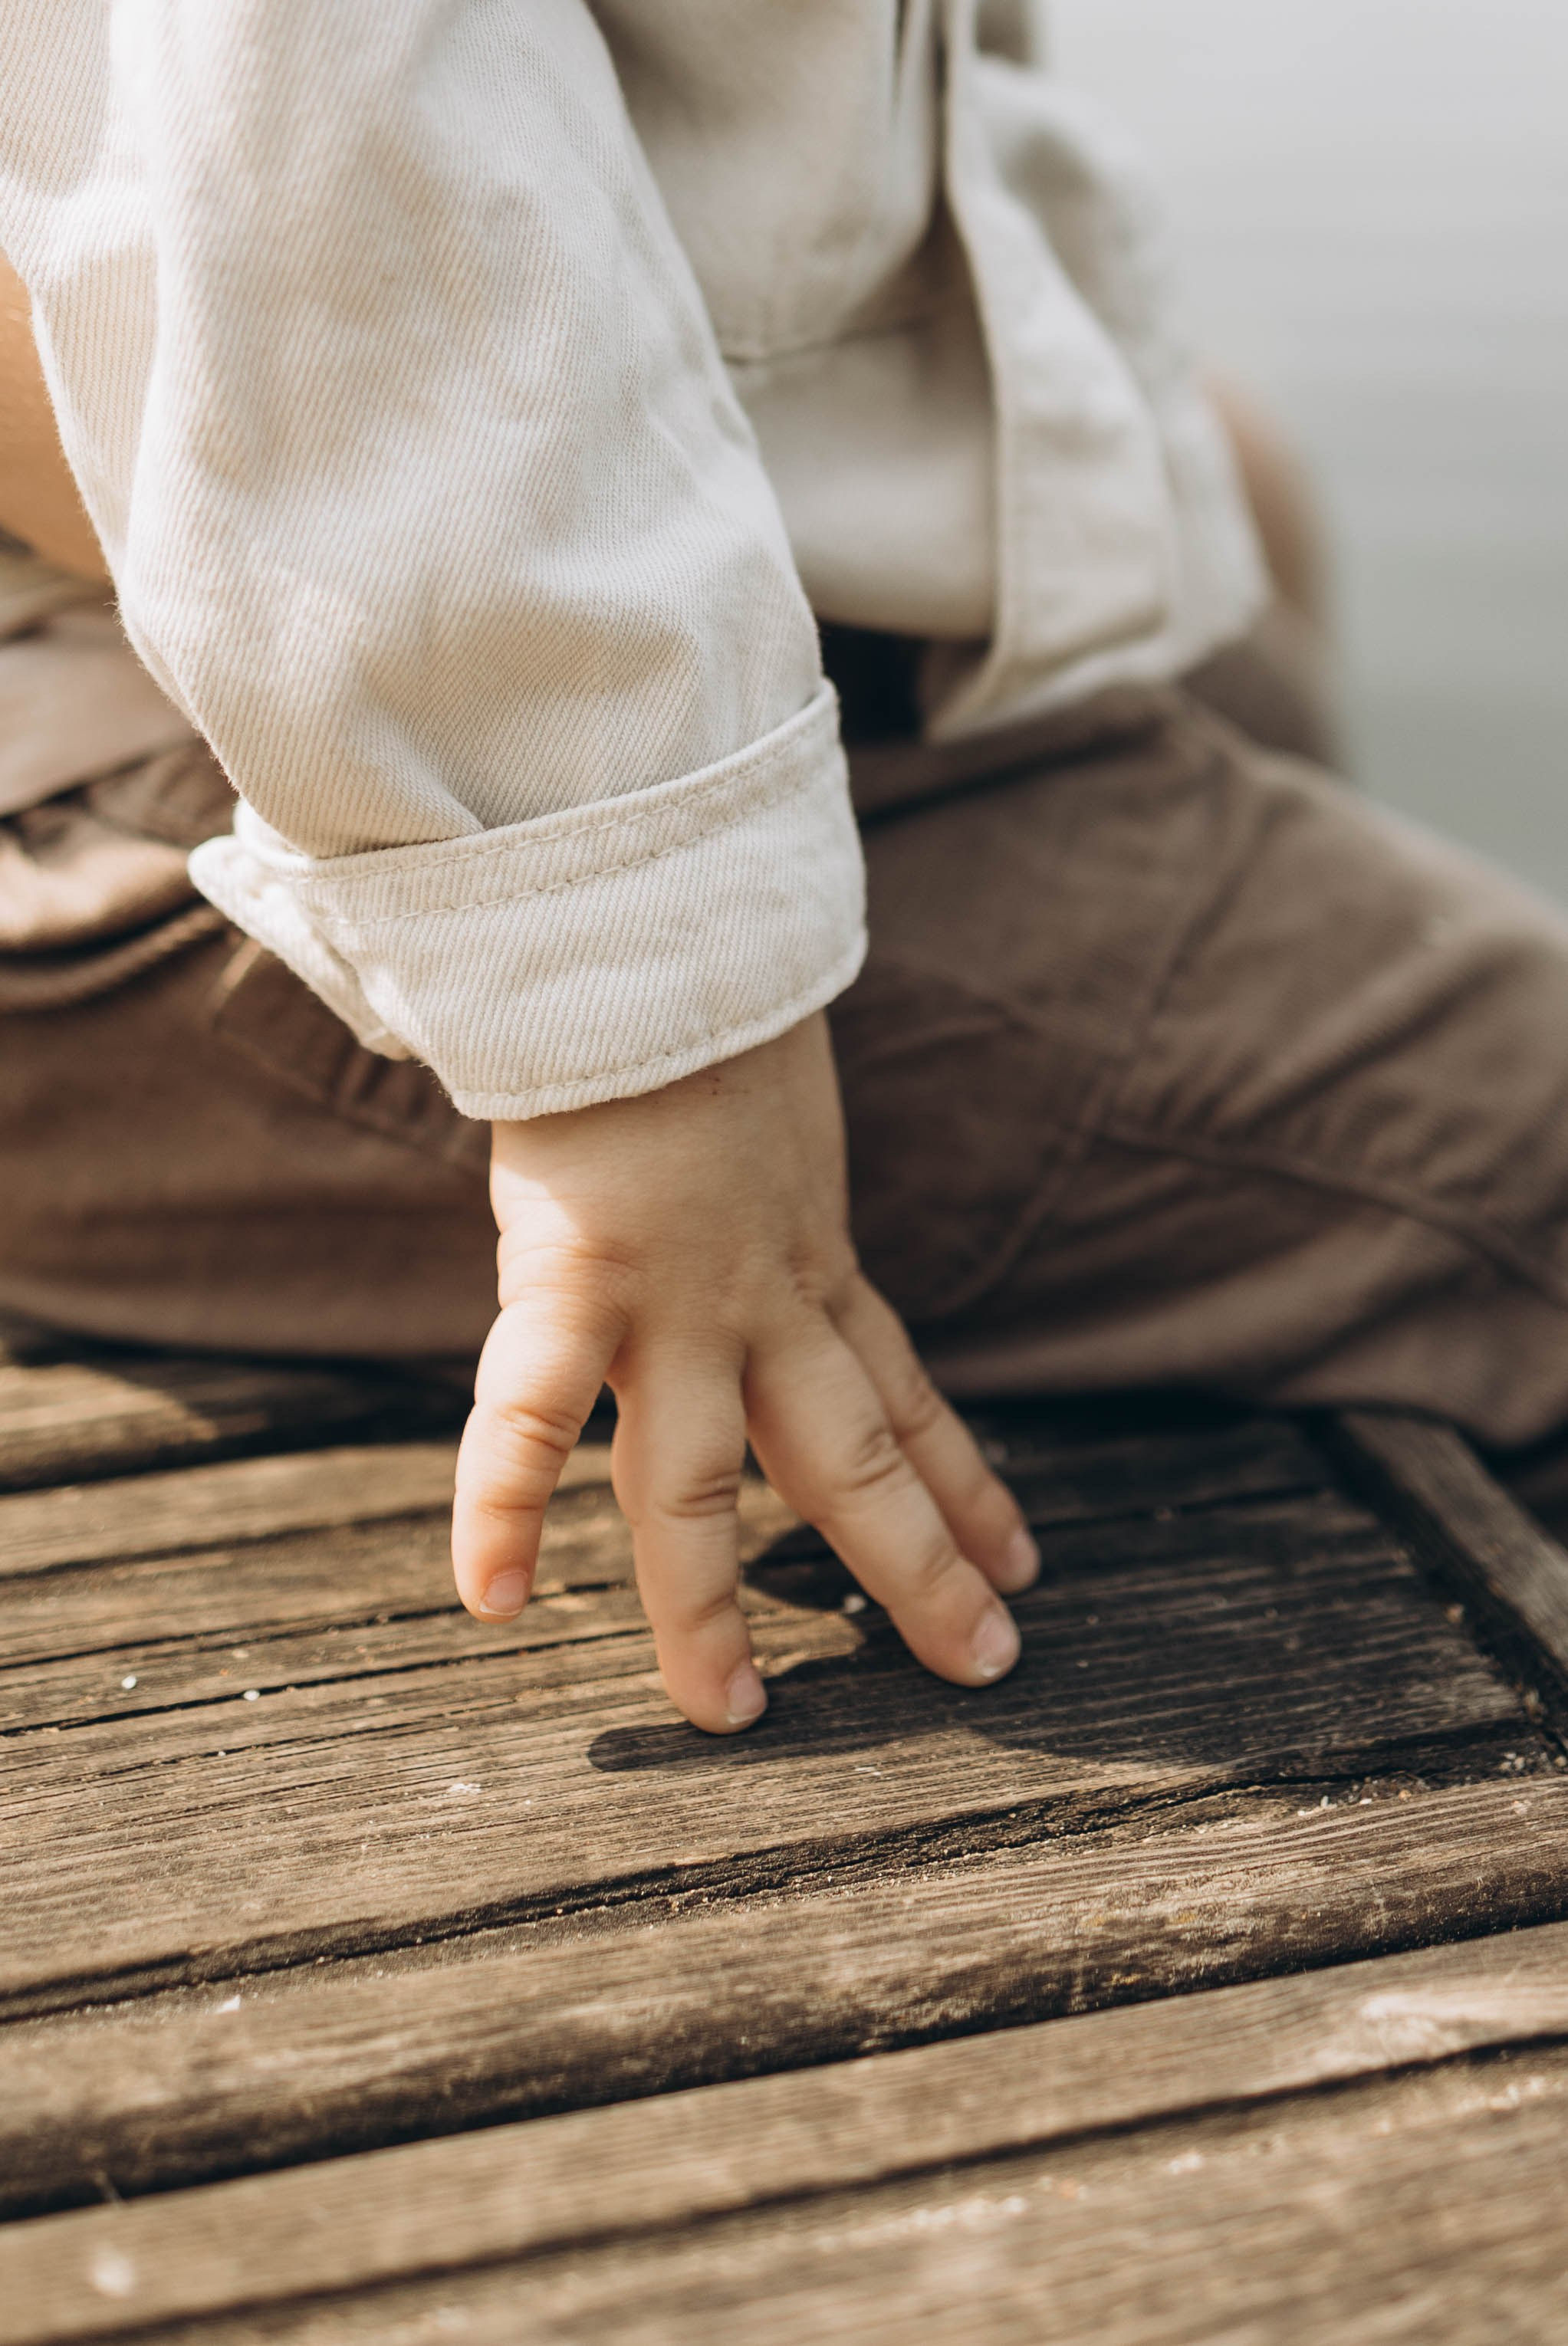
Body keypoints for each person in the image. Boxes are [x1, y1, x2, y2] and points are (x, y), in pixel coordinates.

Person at [3, 5, 1567, 1737]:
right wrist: (648, 1011)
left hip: (589, 597)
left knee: (1244, 552)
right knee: (1534, 1143)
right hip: (205, 798)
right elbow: (300, 176)